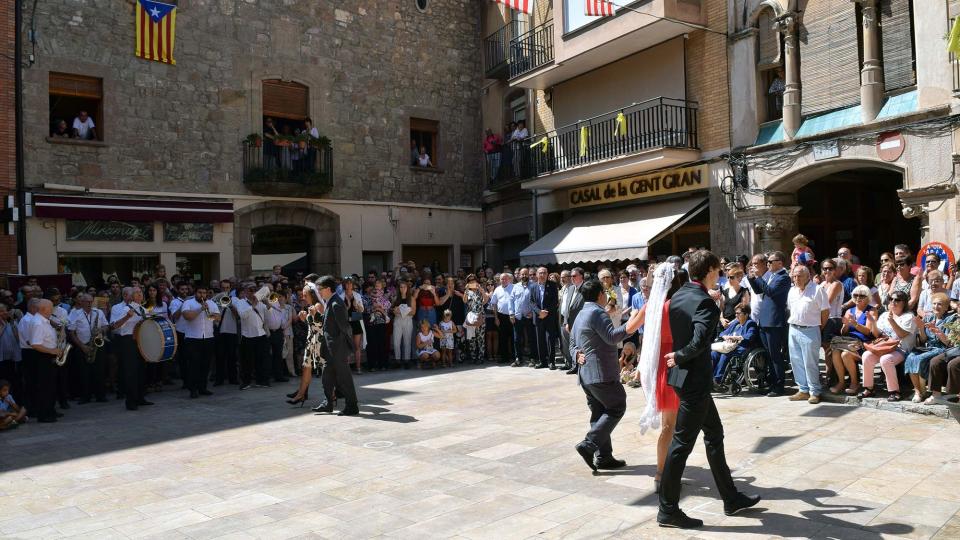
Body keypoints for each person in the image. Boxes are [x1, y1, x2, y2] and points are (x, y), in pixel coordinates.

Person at [658, 252, 761, 529]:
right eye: (719, 270)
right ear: (711, 271)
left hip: (684, 380)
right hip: (694, 382)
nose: (721, 274)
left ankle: (731, 498)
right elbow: (700, 340)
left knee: (714, 435)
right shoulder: (704, 302)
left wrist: (679, 356)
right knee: (681, 445)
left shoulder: (679, 295)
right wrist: (680, 355)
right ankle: (667, 509)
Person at [569, 279, 644, 473]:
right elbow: (612, 336)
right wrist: (632, 325)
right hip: (601, 373)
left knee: (599, 413)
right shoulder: (596, 312)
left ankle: (603, 457)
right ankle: (589, 444)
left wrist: (576, 354)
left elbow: (571, 340)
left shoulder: (581, 314)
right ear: (600, 295)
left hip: (587, 375)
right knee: (617, 406)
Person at [632, 265, 685, 494]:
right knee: (675, 425)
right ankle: (665, 474)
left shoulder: (650, 307)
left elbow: (630, 327)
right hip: (677, 363)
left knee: (668, 425)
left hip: (658, 366)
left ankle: (661, 474)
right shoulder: (677, 306)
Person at [311, 275, 359, 416]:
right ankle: (328, 403)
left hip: (337, 348)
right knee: (327, 376)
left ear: (328, 289)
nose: (318, 292)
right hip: (330, 348)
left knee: (344, 378)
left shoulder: (336, 303)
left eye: (320, 289)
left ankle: (352, 406)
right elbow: (330, 323)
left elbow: (345, 327)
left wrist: (347, 347)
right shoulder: (330, 301)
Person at [859, 290, 917, 402]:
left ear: (904, 303)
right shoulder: (885, 315)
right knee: (866, 355)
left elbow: (901, 334)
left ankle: (894, 392)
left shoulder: (909, 317)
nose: (893, 302)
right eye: (891, 299)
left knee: (886, 360)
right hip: (884, 348)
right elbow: (877, 335)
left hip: (901, 349)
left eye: (897, 300)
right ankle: (869, 388)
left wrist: (892, 321)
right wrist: (873, 323)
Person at [747, 252, 791, 396]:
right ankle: (772, 383)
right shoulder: (773, 276)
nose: (768, 264)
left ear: (780, 262)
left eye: (771, 262)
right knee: (769, 355)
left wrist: (759, 277)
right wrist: (752, 278)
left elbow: (771, 292)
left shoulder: (783, 277)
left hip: (774, 321)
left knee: (775, 356)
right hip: (765, 320)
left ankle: (778, 386)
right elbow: (760, 290)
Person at [786, 265, 829, 404]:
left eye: (799, 276)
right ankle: (803, 390)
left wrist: (817, 327)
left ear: (807, 276)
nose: (796, 279)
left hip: (810, 329)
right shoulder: (792, 291)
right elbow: (790, 309)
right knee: (796, 361)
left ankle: (814, 391)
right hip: (793, 329)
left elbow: (825, 312)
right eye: (794, 276)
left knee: (810, 362)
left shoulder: (817, 290)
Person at [906, 292, 953, 403]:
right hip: (928, 347)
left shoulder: (950, 319)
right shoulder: (929, 317)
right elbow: (923, 340)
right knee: (910, 357)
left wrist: (937, 331)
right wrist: (921, 328)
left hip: (941, 348)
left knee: (920, 359)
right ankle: (918, 391)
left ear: (946, 307)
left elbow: (948, 343)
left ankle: (923, 391)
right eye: (934, 304)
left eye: (940, 304)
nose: (936, 306)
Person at [110, 288, 151, 411]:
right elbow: (114, 326)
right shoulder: (125, 309)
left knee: (141, 370)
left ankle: (140, 398)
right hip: (128, 342)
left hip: (140, 341)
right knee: (130, 372)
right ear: (131, 297)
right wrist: (127, 317)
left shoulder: (143, 310)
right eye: (137, 293)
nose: (140, 295)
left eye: (141, 293)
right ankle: (131, 401)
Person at [829, 285, 874, 396]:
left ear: (868, 297)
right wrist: (846, 325)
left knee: (845, 355)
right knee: (835, 352)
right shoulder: (850, 310)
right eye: (855, 295)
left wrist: (855, 324)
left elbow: (868, 332)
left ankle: (854, 383)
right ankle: (841, 382)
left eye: (862, 295)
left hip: (863, 344)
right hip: (848, 341)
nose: (858, 298)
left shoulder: (871, 311)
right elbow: (843, 333)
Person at [179, 285, 220, 399]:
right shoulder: (189, 303)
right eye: (199, 292)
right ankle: (193, 389)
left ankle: (203, 387)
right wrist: (200, 309)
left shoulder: (211, 303)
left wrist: (211, 315)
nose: (202, 295)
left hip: (208, 337)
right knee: (193, 365)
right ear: (195, 293)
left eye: (204, 293)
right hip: (193, 338)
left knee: (205, 365)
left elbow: (217, 317)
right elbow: (187, 316)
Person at [67, 294, 108, 404]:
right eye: (87, 302)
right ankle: (85, 396)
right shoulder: (75, 313)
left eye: (91, 301)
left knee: (99, 371)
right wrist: (82, 346)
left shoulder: (98, 312)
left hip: (97, 345)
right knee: (83, 372)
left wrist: (101, 330)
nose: (89, 303)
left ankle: (101, 395)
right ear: (81, 302)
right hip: (82, 345)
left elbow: (105, 325)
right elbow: (71, 332)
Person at [288, 285, 323, 406]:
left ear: (312, 295)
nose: (302, 297)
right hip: (311, 340)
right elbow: (311, 325)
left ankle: (333, 395)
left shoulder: (318, 306)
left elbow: (321, 325)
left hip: (319, 341)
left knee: (325, 370)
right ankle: (300, 394)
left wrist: (309, 317)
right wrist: (304, 319)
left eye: (305, 295)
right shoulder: (310, 306)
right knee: (306, 367)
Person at [30, 300, 62, 423]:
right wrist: (52, 351)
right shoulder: (38, 322)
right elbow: (35, 344)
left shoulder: (44, 320)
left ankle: (50, 411)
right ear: (44, 309)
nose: (52, 310)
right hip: (43, 357)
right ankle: (44, 415)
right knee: (45, 387)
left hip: (48, 355)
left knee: (50, 386)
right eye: (51, 308)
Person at [711, 304, 760, 385]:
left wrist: (736, 338)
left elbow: (750, 336)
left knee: (725, 354)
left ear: (746, 314)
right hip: (730, 346)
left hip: (743, 347)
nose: (736, 315)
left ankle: (718, 379)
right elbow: (722, 333)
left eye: (738, 313)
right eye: (736, 313)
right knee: (714, 353)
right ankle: (710, 377)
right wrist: (725, 336)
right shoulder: (736, 323)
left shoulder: (750, 323)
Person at [235, 285, 270, 390]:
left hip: (261, 334)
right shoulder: (241, 302)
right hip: (248, 335)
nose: (253, 292)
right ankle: (246, 382)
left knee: (262, 359)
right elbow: (243, 315)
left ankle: (262, 380)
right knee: (247, 361)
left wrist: (266, 301)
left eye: (255, 290)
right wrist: (253, 305)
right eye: (251, 290)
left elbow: (268, 312)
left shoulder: (260, 302)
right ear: (245, 292)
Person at [530, 267, 559, 369]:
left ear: (547, 274)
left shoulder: (552, 285)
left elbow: (555, 301)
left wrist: (545, 312)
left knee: (550, 339)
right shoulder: (533, 287)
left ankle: (551, 362)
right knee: (540, 340)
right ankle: (542, 361)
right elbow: (532, 302)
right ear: (537, 274)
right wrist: (539, 312)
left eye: (544, 273)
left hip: (549, 316)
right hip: (538, 317)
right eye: (540, 273)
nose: (542, 275)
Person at [215, 279, 239, 386]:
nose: (225, 290)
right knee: (219, 357)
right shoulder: (216, 299)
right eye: (223, 288)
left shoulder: (235, 299)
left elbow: (238, 315)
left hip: (232, 332)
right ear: (220, 288)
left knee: (232, 357)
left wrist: (230, 305)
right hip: (220, 331)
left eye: (227, 288)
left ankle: (233, 379)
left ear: (230, 288)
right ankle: (219, 379)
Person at [560, 268, 585, 373]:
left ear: (581, 276)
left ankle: (580, 366)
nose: (572, 278)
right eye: (571, 276)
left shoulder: (585, 288)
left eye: (574, 276)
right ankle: (573, 365)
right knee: (570, 345)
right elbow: (566, 307)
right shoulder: (570, 288)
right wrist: (566, 322)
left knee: (579, 345)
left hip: (580, 323)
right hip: (568, 323)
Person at [364, 279, 391, 371]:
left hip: (381, 322)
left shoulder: (385, 297)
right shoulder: (368, 297)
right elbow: (366, 309)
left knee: (382, 343)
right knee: (372, 344)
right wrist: (374, 308)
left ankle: (382, 364)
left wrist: (380, 308)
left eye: (378, 286)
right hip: (371, 323)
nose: (377, 287)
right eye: (375, 285)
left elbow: (388, 306)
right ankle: (372, 365)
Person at [340, 278, 365, 373]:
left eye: (350, 283)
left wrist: (356, 306)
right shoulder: (340, 296)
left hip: (356, 321)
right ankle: (347, 368)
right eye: (347, 283)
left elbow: (361, 310)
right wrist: (348, 306)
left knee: (357, 346)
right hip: (346, 322)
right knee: (346, 345)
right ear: (344, 285)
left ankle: (358, 367)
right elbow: (340, 311)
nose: (349, 285)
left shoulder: (357, 295)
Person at [488, 273, 515, 364]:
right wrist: (496, 318)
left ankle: (516, 357)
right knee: (503, 338)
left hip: (512, 316)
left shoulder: (514, 287)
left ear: (509, 279)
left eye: (505, 279)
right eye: (502, 279)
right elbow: (494, 304)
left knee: (514, 337)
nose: (503, 281)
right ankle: (505, 357)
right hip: (501, 316)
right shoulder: (497, 289)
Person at [264, 290, 290, 383]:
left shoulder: (279, 306)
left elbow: (282, 320)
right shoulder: (266, 303)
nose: (279, 298)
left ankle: (279, 376)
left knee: (278, 355)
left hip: (278, 332)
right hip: (268, 332)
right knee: (266, 355)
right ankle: (266, 376)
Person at [391, 279, 416, 369]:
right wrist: (401, 311)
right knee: (396, 341)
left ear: (407, 288)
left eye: (404, 287)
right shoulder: (396, 298)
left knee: (407, 341)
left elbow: (413, 312)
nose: (403, 289)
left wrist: (400, 311)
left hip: (408, 320)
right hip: (398, 320)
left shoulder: (411, 298)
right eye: (401, 287)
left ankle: (407, 360)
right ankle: (397, 360)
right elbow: (393, 311)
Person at [462, 275, 487, 364]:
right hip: (471, 316)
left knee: (480, 338)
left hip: (480, 315)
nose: (472, 282)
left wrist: (481, 290)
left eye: (473, 280)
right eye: (470, 281)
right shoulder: (468, 291)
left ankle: (480, 357)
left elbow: (485, 300)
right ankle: (473, 357)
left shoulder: (480, 290)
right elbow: (464, 301)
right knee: (471, 338)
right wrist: (466, 291)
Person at [719, 264, 749, 329]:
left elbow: (744, 311)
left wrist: (731, 324)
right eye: (728, 277)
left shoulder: (744, 292)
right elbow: (721, 308)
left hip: (737, 325)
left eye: (732, 277)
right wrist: (722, 319)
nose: (729, 279)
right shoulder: (725, 291)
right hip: (723, 324)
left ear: (739, 278)